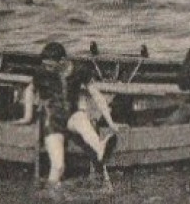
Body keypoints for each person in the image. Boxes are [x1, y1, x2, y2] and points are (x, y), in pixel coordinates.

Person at [15, 42, 119, 185]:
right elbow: (29, 90)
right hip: (52, 121)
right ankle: (52, 197)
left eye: (51, 65)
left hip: (72, 116)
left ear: (63, 61)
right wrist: (27, 117)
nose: (47, 68)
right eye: (45, 65)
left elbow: (97, 96)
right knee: (58, 166)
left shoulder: (79, 70)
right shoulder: (42, 72)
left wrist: (110, 122)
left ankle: (100, 147)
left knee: (81, 118)